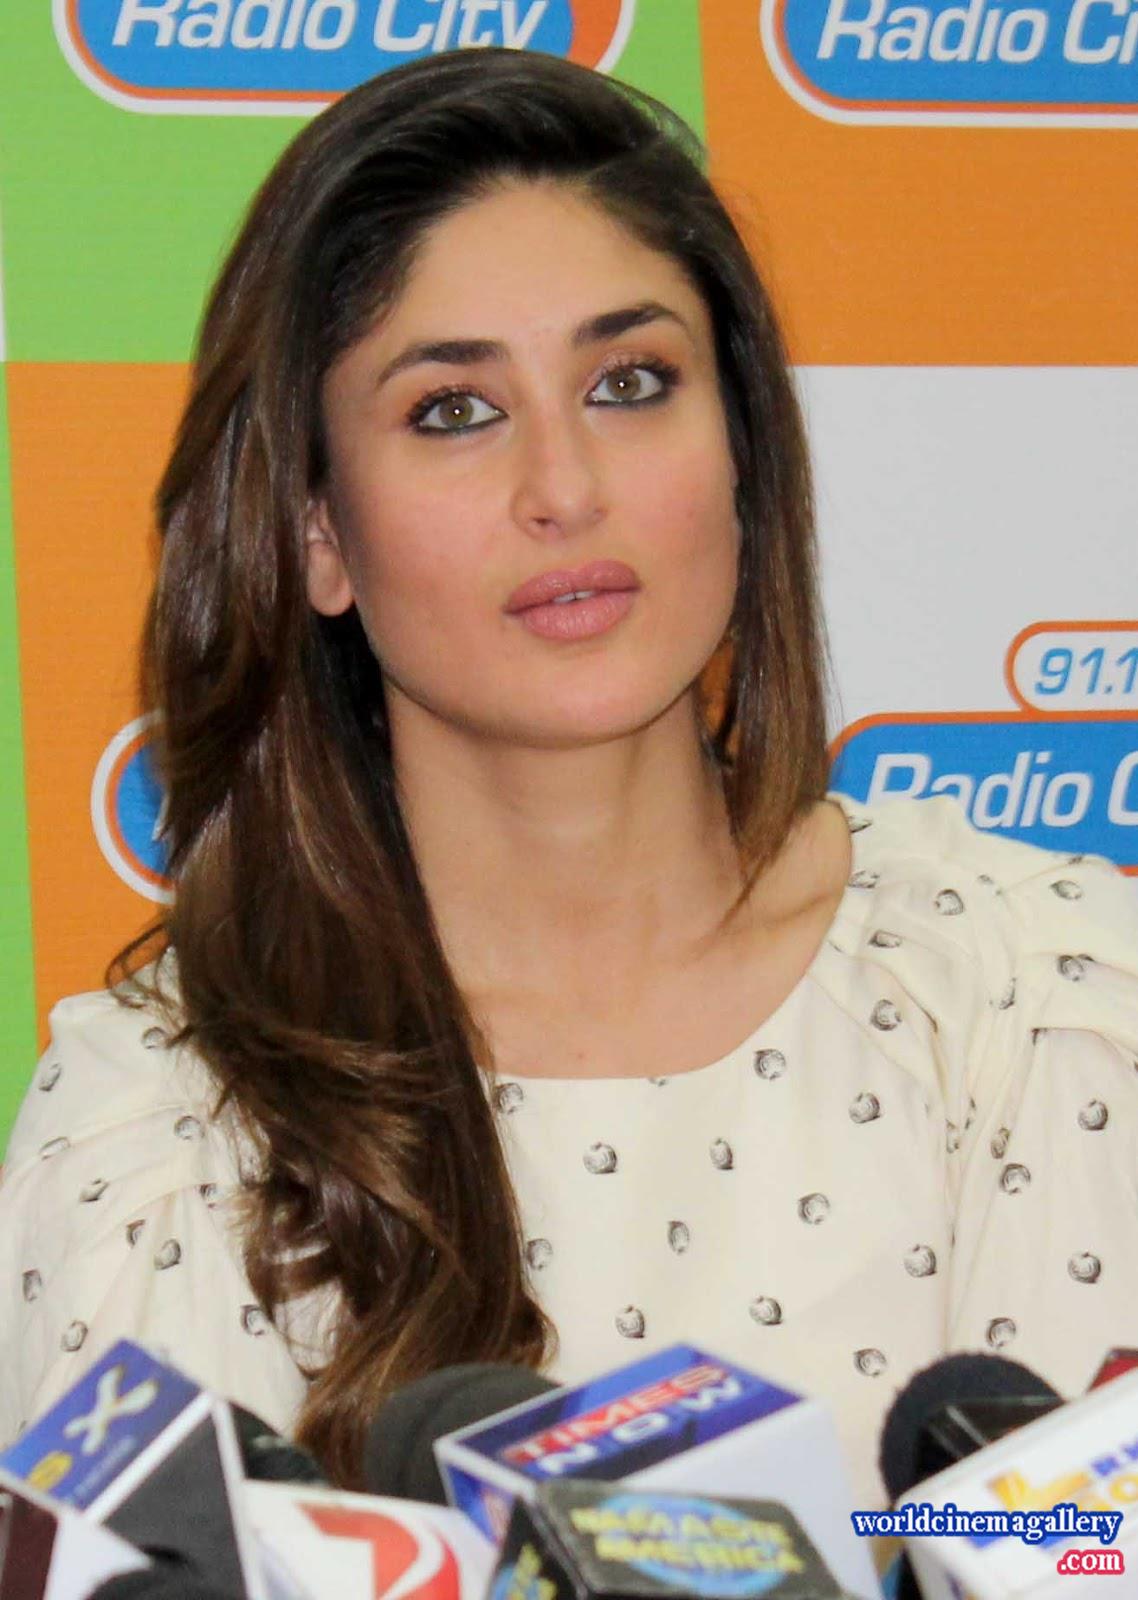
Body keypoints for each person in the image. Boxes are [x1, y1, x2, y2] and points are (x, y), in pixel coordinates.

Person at [0, 49, 1135, 1516]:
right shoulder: (166, 1131)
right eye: (452, 410)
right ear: (316, 534)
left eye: (629, 384)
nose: (565, 488)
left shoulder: (1033, 1006)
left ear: (742, 455)